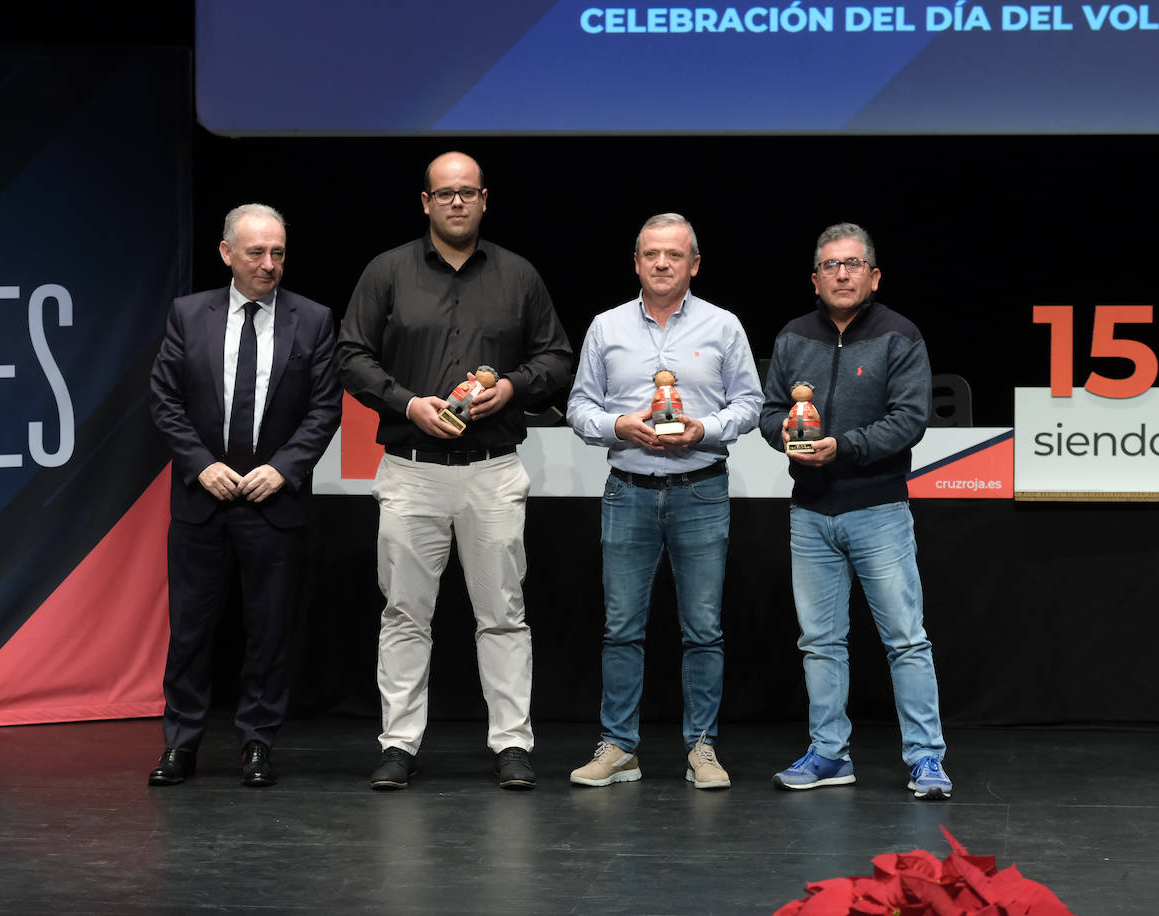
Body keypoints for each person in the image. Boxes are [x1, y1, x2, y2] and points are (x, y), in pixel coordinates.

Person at [336, 152, 574, 791]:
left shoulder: (519, 275)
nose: (457, 203)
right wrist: (406, 402)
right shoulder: (387, 271)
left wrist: (514, 389)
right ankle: (399, 743)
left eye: (468, 193)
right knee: (405, 614)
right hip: (411, 469)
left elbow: (557, 359)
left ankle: (512, 743)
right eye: (445, 194)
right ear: (425, 202)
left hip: (492, 469)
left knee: (503, 613)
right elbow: (351, 356)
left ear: (486, 198)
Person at [565, 213, 762, 790]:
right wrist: (619, 425)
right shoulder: (606, 326)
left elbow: (751, 404)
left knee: (703, 629)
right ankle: (619, 747)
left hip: (701, 488)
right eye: (651, 253)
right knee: (621, 628)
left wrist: (707, 428)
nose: (661, 263)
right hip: (628, 490)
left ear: (693, 264)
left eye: (674, 255)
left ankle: (702, 747)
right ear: (636, 262)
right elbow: (578, 408)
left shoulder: (723, 327)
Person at [147, 203, 342, 788]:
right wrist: (200, 465)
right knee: (190, 633)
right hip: (202, 503)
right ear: (227, 253)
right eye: (256, 252)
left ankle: (257, 742)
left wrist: (283, 470)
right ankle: (180, 744)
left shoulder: (313, 319)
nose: (269, 264)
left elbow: (324, 408)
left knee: (269, 632)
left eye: (278, 252)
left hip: (272, 505)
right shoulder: (188, 314)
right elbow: (165, 399)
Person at [760, 222, 951, 800]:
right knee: (820, 641)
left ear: (873, 275)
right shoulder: (793, 337)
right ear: (814, 278)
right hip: (810, 512)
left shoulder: (900, 335)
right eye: (830, 265)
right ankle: (828, 753)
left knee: (906, 639)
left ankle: (925, 759)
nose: (841, 274)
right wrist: (788, 440)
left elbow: (909, 418)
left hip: (878, 508)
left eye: (852, 264)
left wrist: (843, 448)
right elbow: (770, 413)